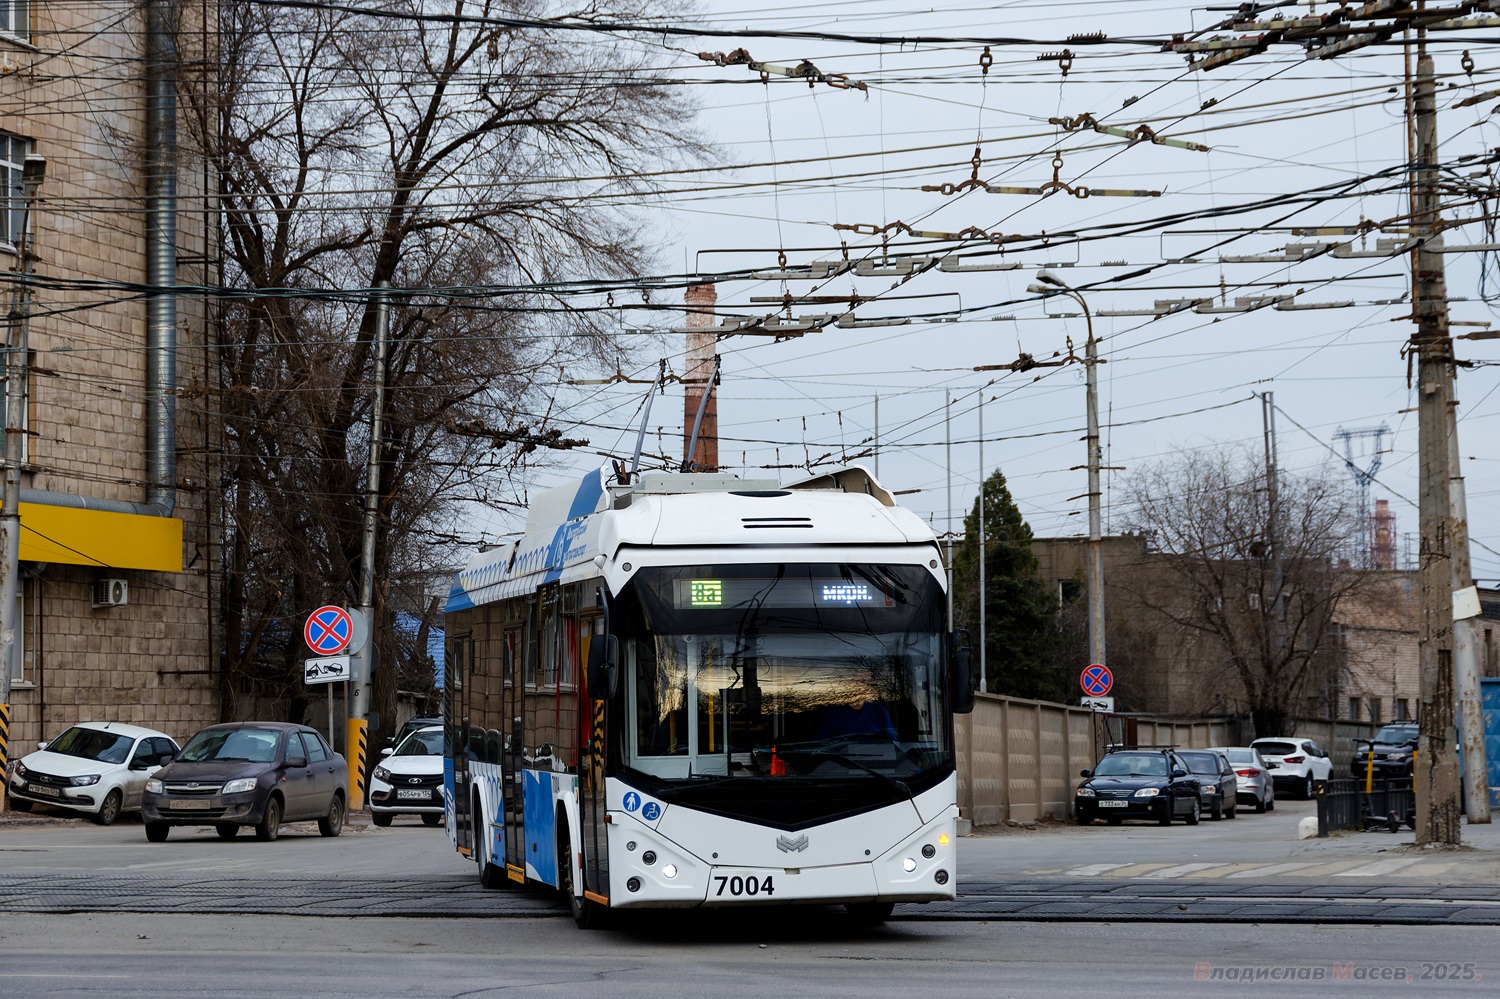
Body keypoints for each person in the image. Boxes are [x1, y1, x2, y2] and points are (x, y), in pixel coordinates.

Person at [816, 699, 897, 741]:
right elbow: (820, 746)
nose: (859, 686)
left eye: (863, 682)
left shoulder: (878, 711)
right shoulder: (833, 714)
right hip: (839, 766)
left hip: (876, 765)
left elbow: (892, 742)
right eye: (854, 682)